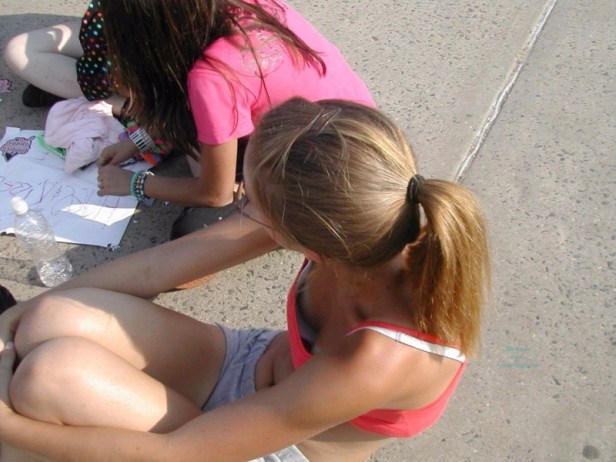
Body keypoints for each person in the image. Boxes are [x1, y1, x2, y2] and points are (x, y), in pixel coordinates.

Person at [0, 98, 490, 462]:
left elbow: (183, 453)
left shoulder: (382, 356)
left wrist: (6, 427)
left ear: (304, 238)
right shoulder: (353, 232)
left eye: (248, 200)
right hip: (248, 363)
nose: (238, 199)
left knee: (47, 380)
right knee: (48, 317)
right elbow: (154, 269)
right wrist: (12, 319)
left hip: (269, 450)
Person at [4, 0, 375, 239]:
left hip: (325, 176)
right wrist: (137, 141)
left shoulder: (208, 79)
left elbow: (215, 193)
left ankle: (253, 201)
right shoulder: (235, 9)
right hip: (360, 130)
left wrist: (134, 183)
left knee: (189, 235)